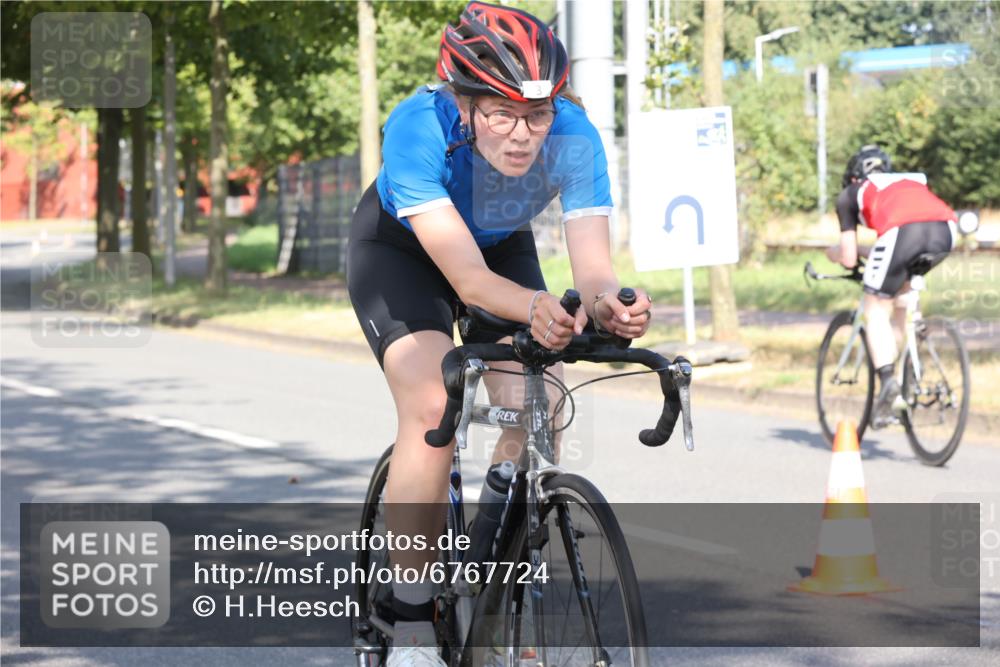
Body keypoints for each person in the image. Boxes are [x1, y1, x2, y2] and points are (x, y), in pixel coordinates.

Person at [345, 3, 652, 665]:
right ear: (462, 101)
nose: (522, 135)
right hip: (404, 253)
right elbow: (469, 280)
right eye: (500, 114)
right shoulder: (417, 130)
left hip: (498, 244)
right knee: (433, 402)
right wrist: (539, 306)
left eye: (536, 115)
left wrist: (613, 306)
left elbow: (594, 270)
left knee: (538, 395)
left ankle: (495, 557)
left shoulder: (575, 135)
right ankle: (412, 618)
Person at [827, 144, 958, 428]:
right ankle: (908, 367)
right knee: (902, 298)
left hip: (902, 233)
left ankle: (887, 383)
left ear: (852, 177)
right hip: (946, 229)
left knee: (875, 309)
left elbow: (849, 257)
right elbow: (890, 248)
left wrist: (832, 253)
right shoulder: (904, 182)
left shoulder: (850, 195)